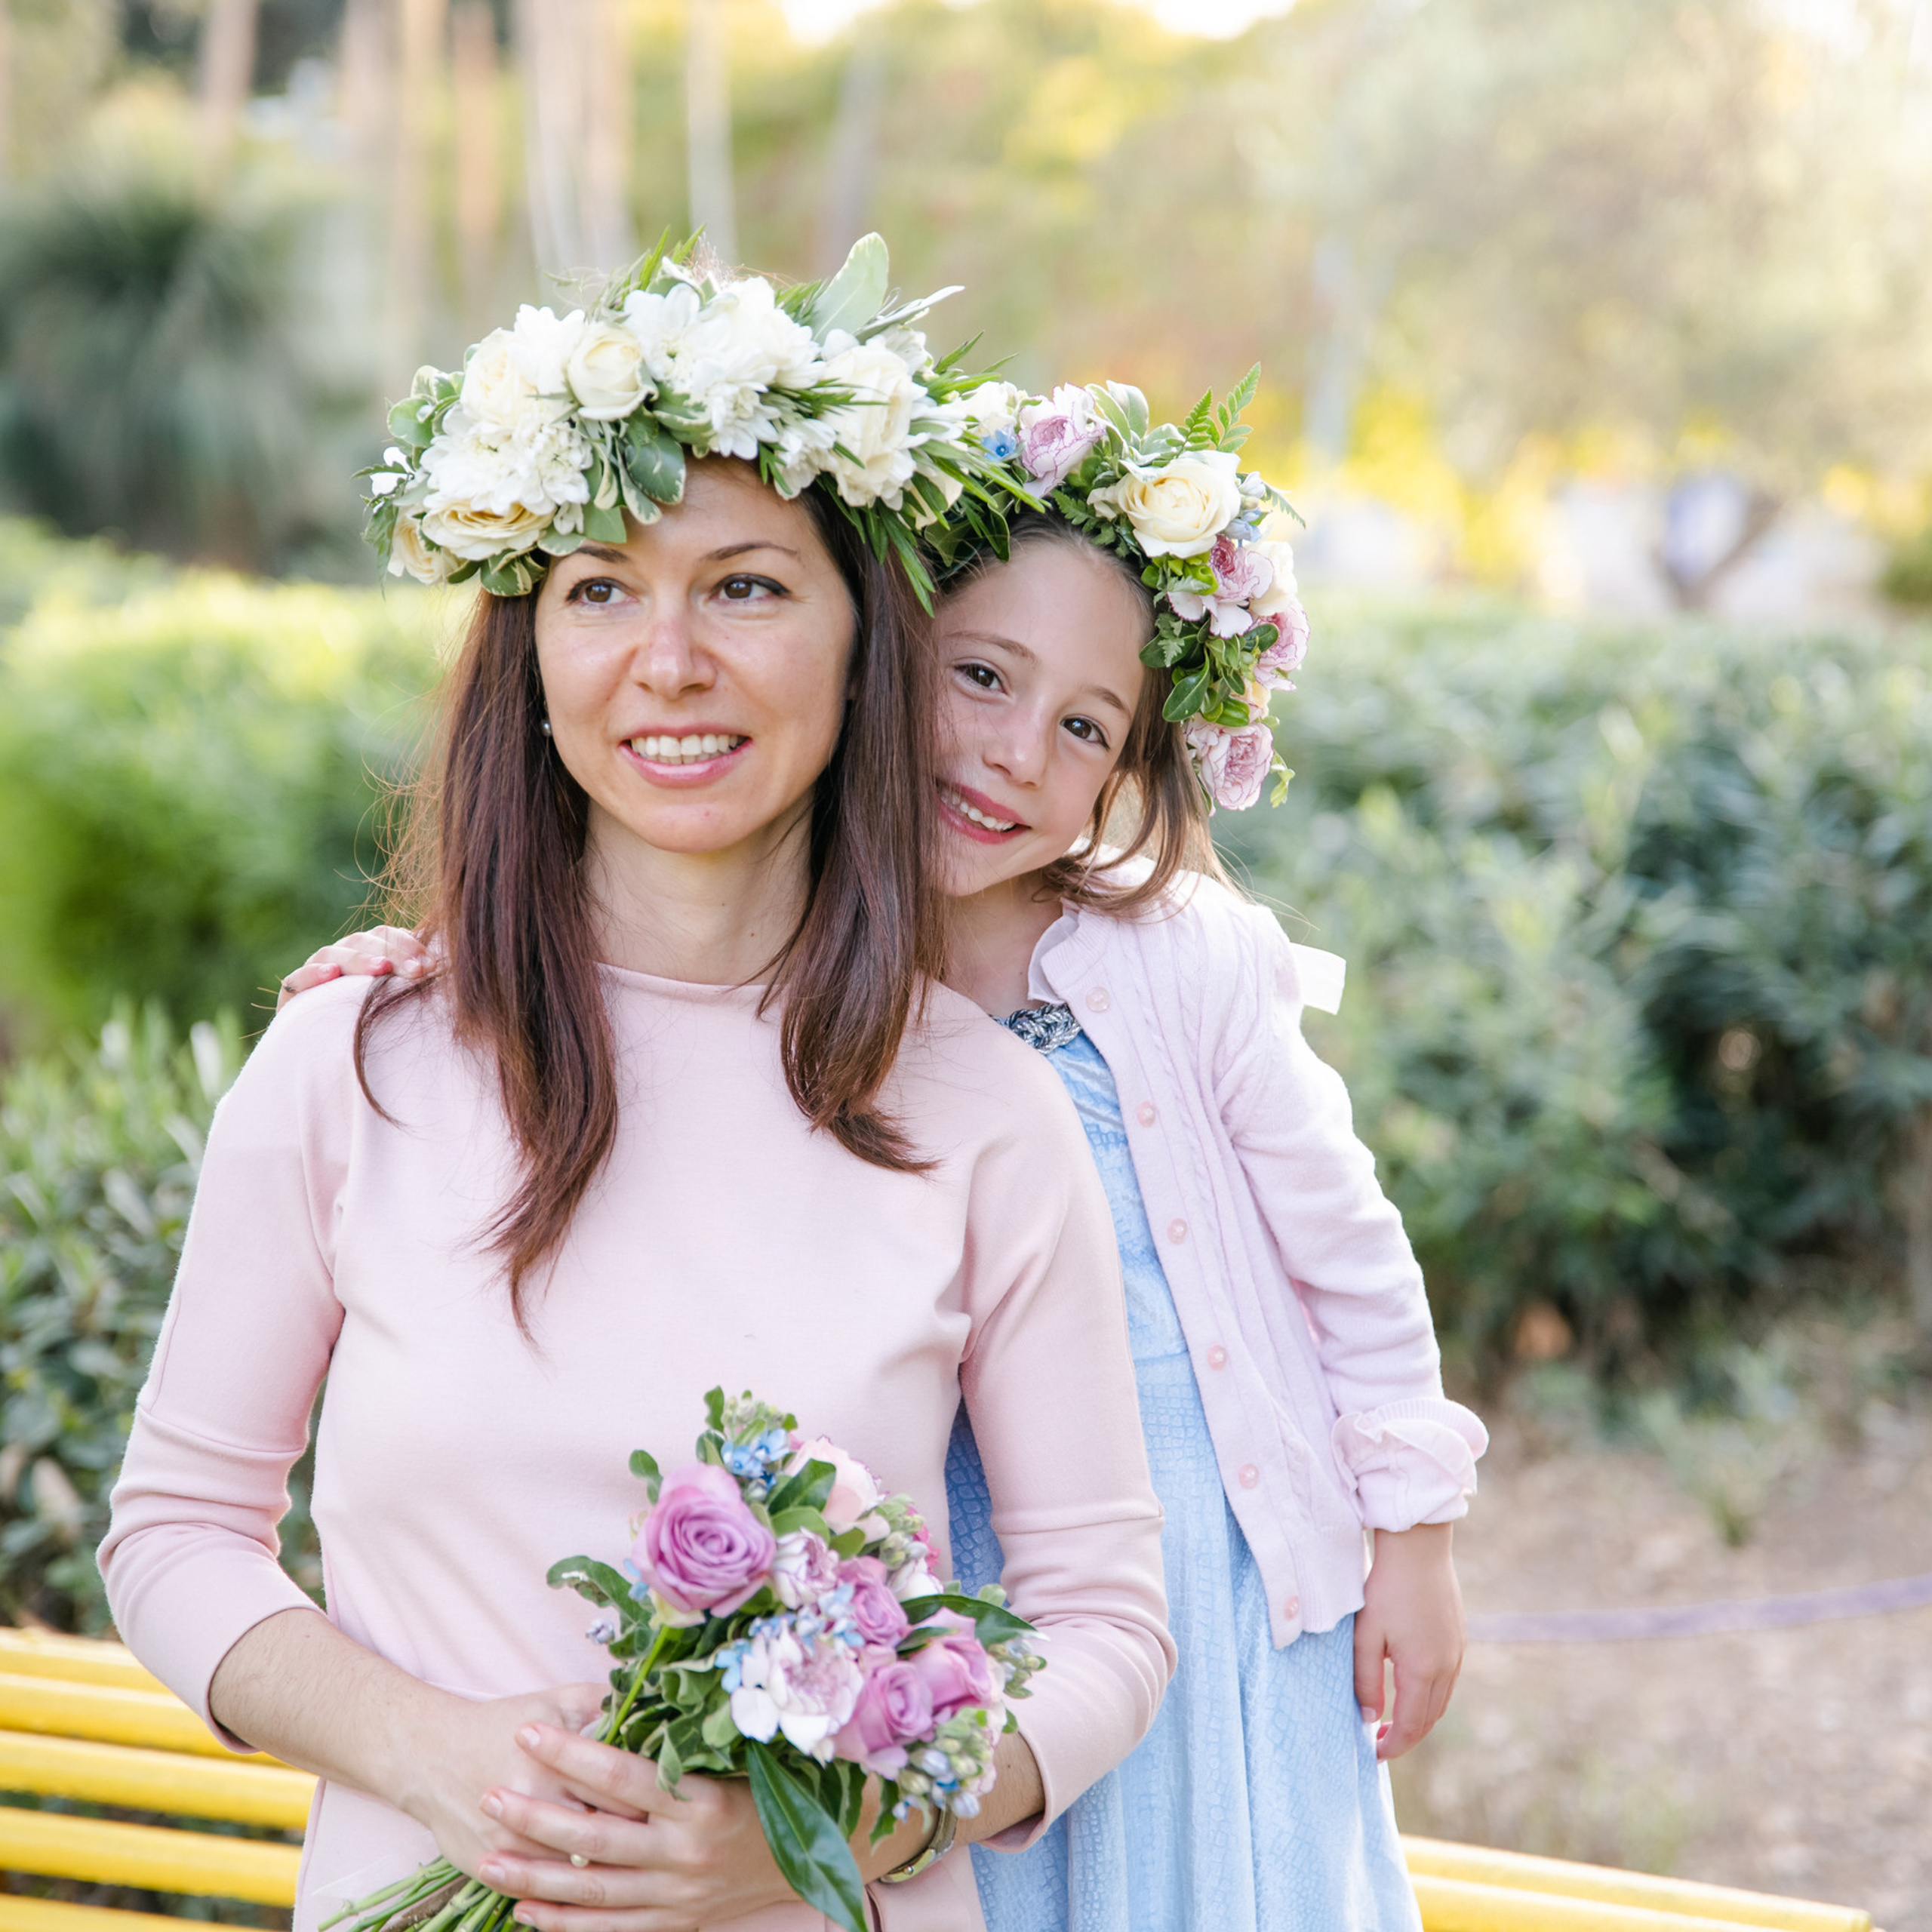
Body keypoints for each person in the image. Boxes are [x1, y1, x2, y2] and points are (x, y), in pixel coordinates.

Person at [281, 368, 1488, 1930]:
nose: (1014, 753)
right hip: (944, 1569)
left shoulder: (1177, 960)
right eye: (977, 677)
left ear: (1127, 770)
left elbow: (1349, 1249)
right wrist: (434, 968)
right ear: (878, 657)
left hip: (1199, 1559)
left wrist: (1413, 1534)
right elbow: (633, 966)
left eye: (1083, 728)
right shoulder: (814, 967)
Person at [100, 251, 1175, 1932]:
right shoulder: (355, 1064)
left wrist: (841, 1826)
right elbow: (173, 1531)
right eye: (601, 588)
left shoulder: (984, 1114)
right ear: (530, 650)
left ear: (862, 645)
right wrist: (427, 1751)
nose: (667, 661)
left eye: (745, 587)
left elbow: (1106, 1621)